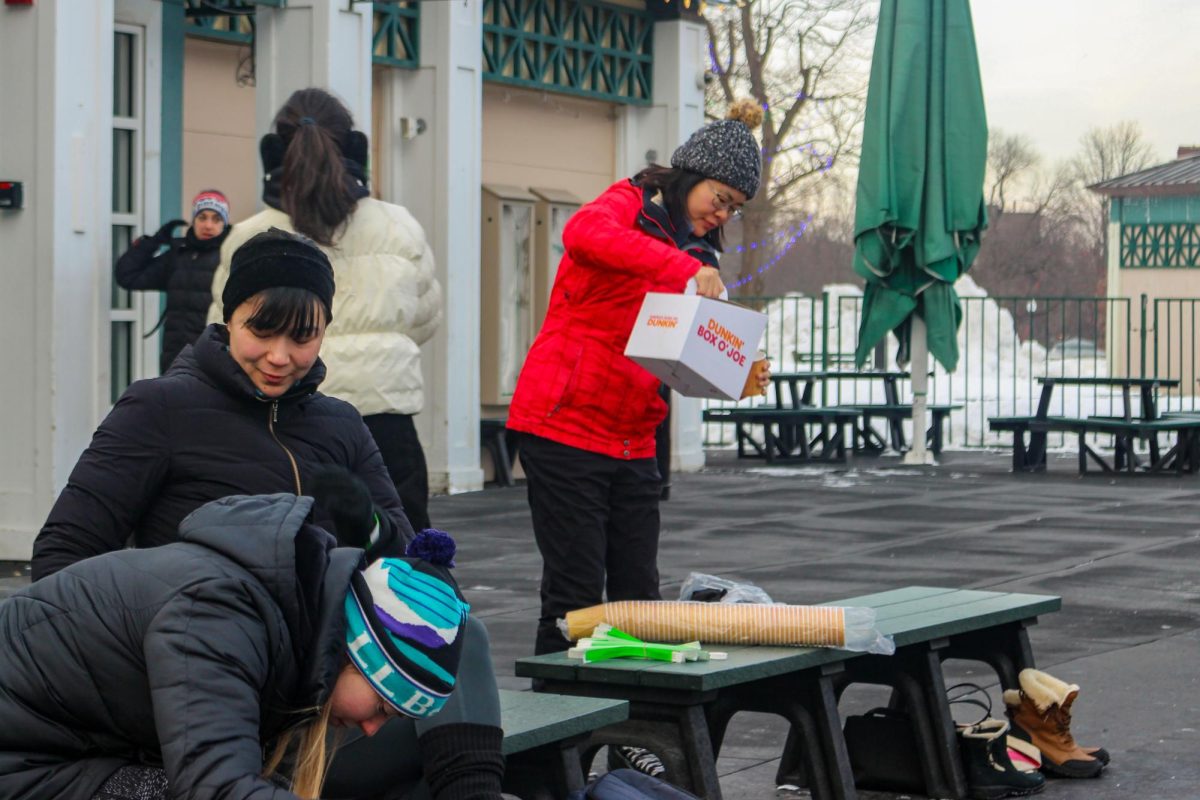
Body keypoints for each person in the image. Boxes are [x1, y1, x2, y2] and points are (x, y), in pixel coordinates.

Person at [31, 228, 505, 800]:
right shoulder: (160, 408)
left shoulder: (342, 425)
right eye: (262, 330)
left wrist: (367, 530)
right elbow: (62, 559)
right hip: (213, 693)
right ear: (229, 316)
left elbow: (409, 578)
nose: (280, 356)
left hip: (329, 698)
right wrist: (146, 685)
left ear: (325, 333)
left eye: (303, 337)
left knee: (463, 636)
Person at [505, 100, 769, 775]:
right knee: (574, 598)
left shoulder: (700, 251)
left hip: (631, 435)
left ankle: (628, 733)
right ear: (691, 175)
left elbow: (674, 352)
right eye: (720, 196)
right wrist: (682, 270)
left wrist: (734, 369)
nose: (723, 213)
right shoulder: (631, 202)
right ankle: (548, 749)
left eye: (736, 206)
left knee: (635, 599)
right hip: (563, 422)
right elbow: (584, 237)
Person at [1, 491, 498, 800]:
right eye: (383, 707)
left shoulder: (286, 622)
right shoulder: (219, 615)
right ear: (358, 654)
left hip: (76, 751)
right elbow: (214, 787)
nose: (371, 727)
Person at [208, 88, 441, 533]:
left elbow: (223, 331)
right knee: (399, 567)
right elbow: (426, 318)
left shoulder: (246, 237)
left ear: (274, 152)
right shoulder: (399, 227)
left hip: (281, 422)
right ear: (354, 148)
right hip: (384, 424)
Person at [116, 189, 232, 373]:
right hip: (175, 359)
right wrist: (154, 241)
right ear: (193, 220)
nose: (208, 225)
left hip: (215, 359)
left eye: (216, 219)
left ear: (224, 223)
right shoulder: (178, 255)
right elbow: (127, 275)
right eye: (202, 217)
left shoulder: (230, 257)